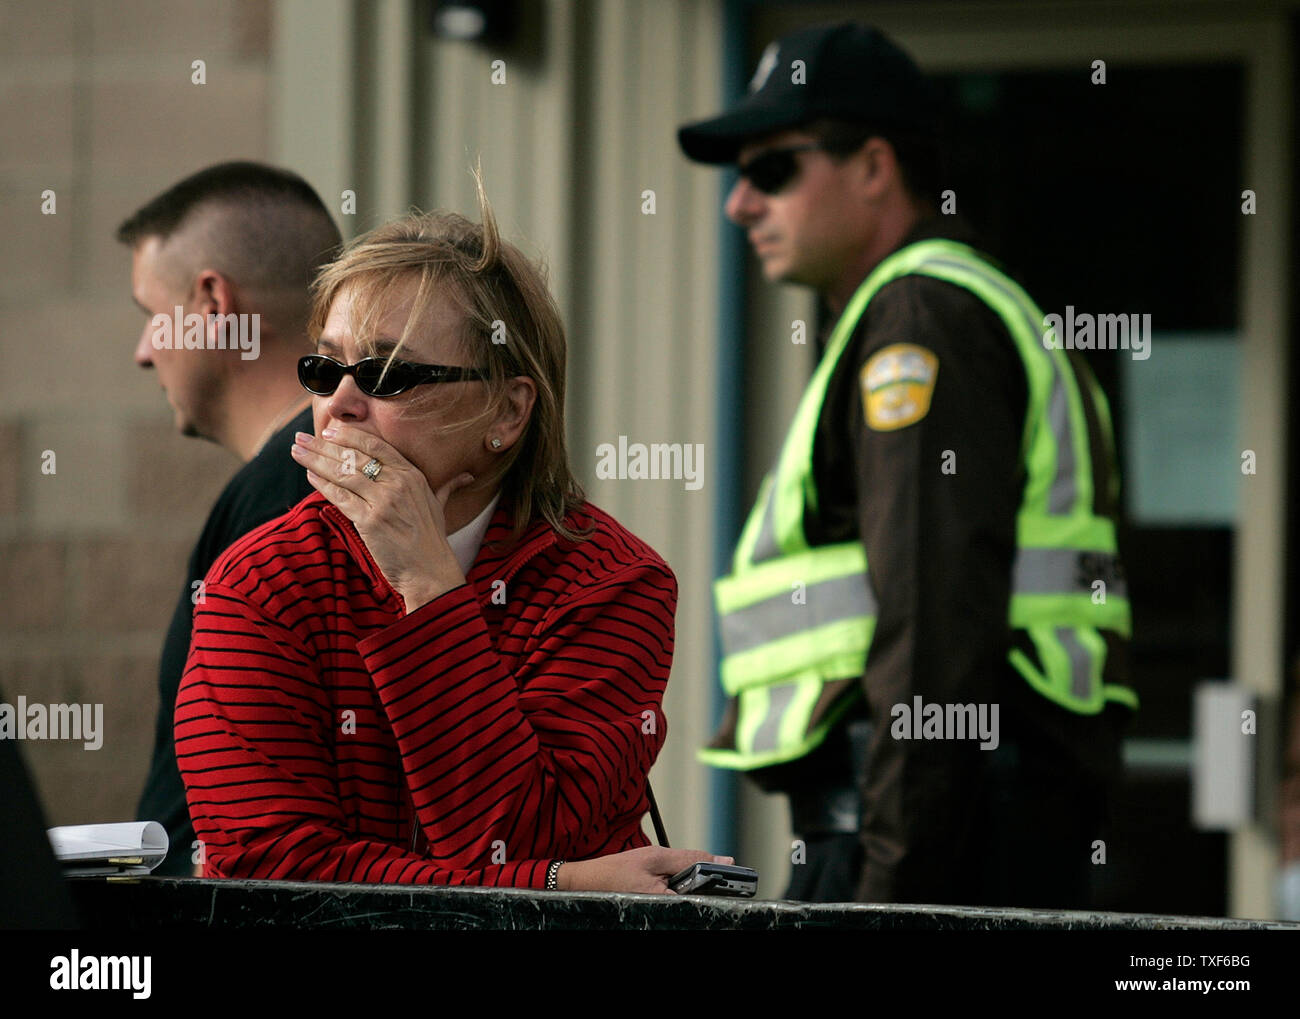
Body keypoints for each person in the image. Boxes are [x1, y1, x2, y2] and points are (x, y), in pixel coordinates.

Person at [678, 21, 1134, 906]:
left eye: (771, 169)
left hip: (933, 845)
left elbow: (933, 627)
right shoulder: (944, 308)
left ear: (876, 168)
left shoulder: (920, 321)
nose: (739, 203)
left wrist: (892, 897)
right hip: (966, 831)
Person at [174, 178, 726, 892]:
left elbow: (521, 838)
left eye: (386, 372)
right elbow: (272, 872)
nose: (338, 401)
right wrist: (561, 882)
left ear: (508, 409)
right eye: (323, 367)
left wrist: (430, 587)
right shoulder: (259, 581)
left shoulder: (612, 581)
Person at [119, 162, 341, 875]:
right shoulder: (307, 477)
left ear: (214, 300)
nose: (143, 352)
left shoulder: (289, 498)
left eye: (151, 315)